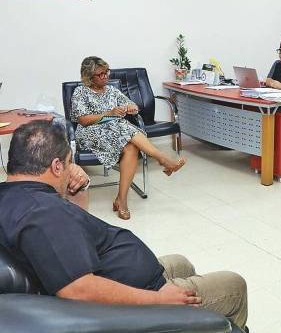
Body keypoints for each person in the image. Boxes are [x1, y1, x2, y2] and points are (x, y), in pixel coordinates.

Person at [0, 120, 248, 329]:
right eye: (67, 164)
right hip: (141, 296)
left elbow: (68, 235)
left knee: (181, 263)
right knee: (234, 286)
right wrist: (158, 300)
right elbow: (79, 290)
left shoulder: (18, 196)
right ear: (56, 166)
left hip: (121, 273)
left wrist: (79, 187)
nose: (69, 170)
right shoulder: (44, 213)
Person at [71, 56, 186, 220]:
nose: (105, 76)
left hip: (116, 130)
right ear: (89, 77)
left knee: (131, 147)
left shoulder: (112, 90)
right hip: (91, 131)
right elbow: (82, 119)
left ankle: (121, 200)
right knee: (124, 128)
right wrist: (108, 114)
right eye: (100, 74)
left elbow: (132, 105)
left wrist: (131, 108)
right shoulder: (80, 92)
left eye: (106, 72)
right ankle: (163, 159)